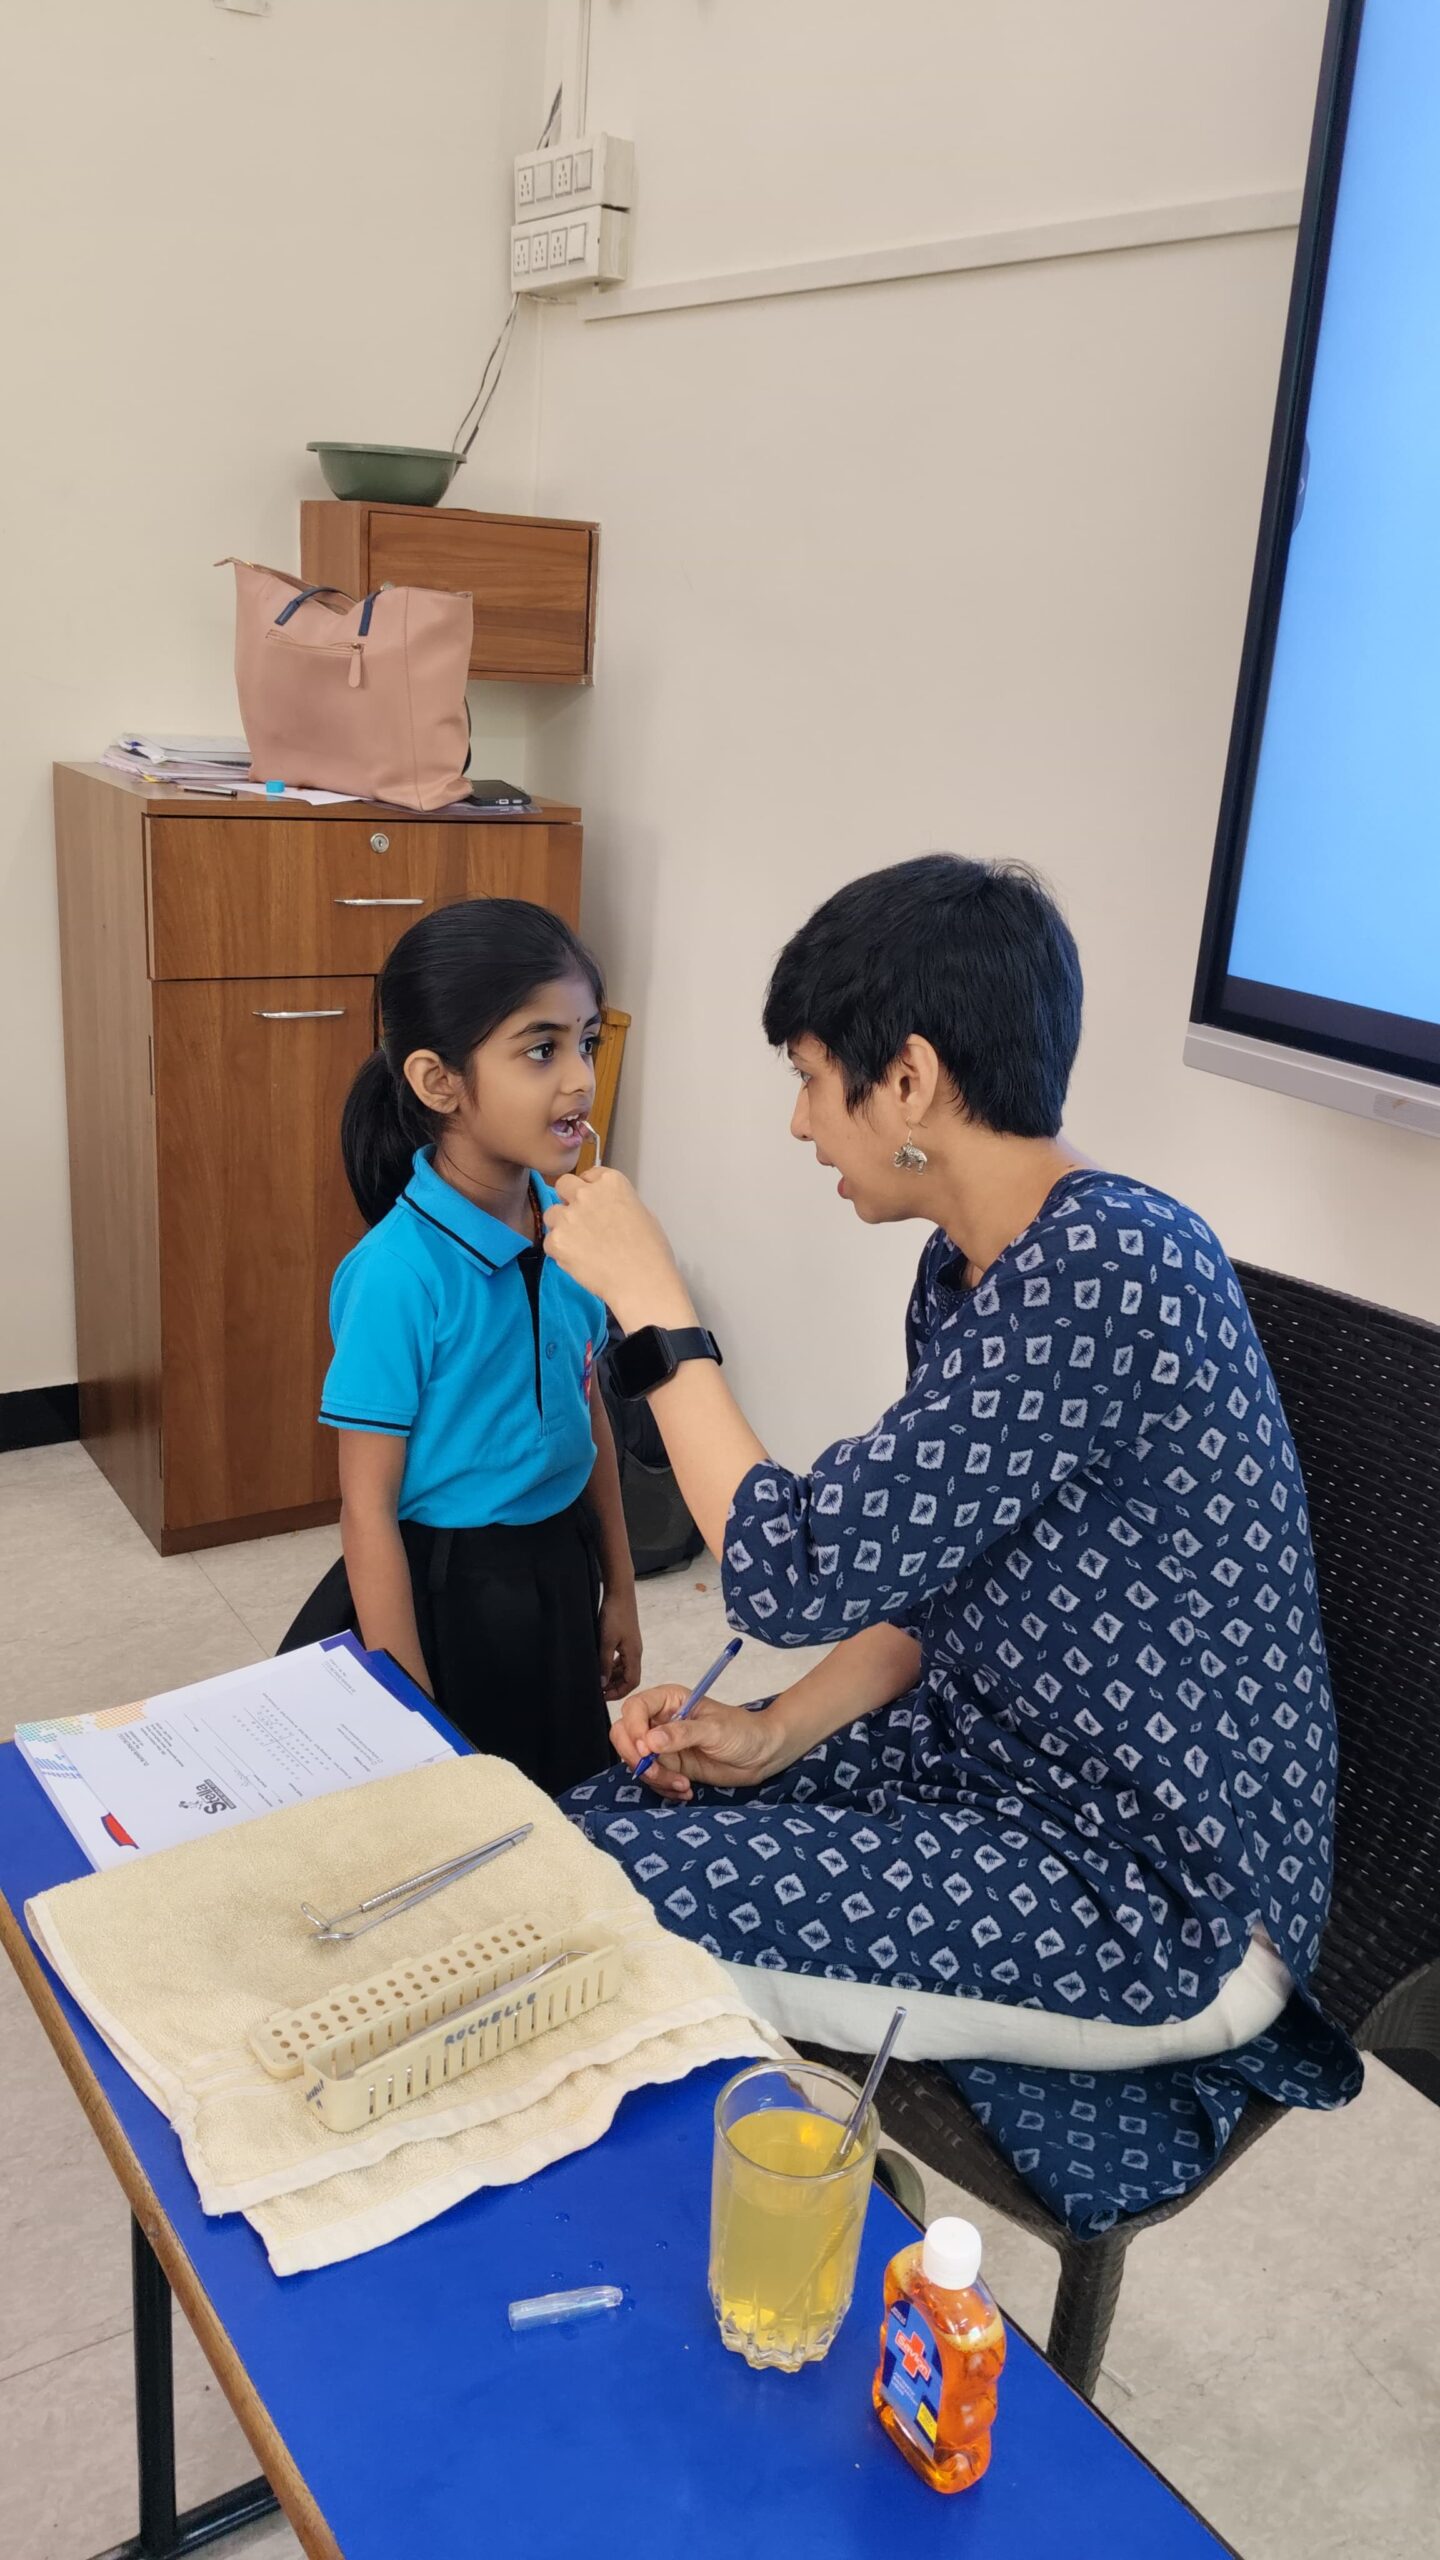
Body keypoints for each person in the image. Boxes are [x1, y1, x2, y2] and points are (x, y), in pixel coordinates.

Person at [543, 854, 1358, 2222]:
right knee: (597, 1820)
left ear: (909, 1080)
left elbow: (789, 1569)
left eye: (813, 1079)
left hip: (1159, 1887)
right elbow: (922, 1583)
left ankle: (743, 2254)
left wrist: (654, 1305)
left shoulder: (1113, 1267)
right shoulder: (973, 1269)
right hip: (1002, 1769)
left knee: (600, 1909)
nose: (802, 1121)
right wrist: (776, 1731)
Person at [281, 899, 641, 1797]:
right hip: (450, 1594)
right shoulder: (396, 1275)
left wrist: (621, 1589)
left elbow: (589, 1412)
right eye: (540, 1049)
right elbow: (367, 1509)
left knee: (568, 1801)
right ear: (439, 1083)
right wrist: (407, 1710)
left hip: (560, 1564)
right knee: (469, 1813)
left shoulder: (575, 1231)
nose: (579, 1080)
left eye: (586, 1042)